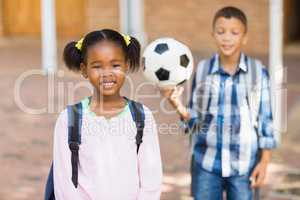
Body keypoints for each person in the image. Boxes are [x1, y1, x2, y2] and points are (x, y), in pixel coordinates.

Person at [161, 6, 277, 200]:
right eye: (221, 32)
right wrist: (177, 105)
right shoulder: (203, 70)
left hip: (243, 166)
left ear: (244, 37)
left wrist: (264, 162)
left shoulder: (258, 73)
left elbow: (266, 121)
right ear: (213, 35)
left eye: (234, 32)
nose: (227, 37)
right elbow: (195, 122)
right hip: (206, 164)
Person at [53, 29, 162, 200]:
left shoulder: (142, 116)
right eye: (97, 66)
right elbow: (63, 182)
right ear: (84, 70)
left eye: (115, 65)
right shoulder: (69, 119)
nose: (107, 73)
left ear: (126, 65)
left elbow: (151, 179)